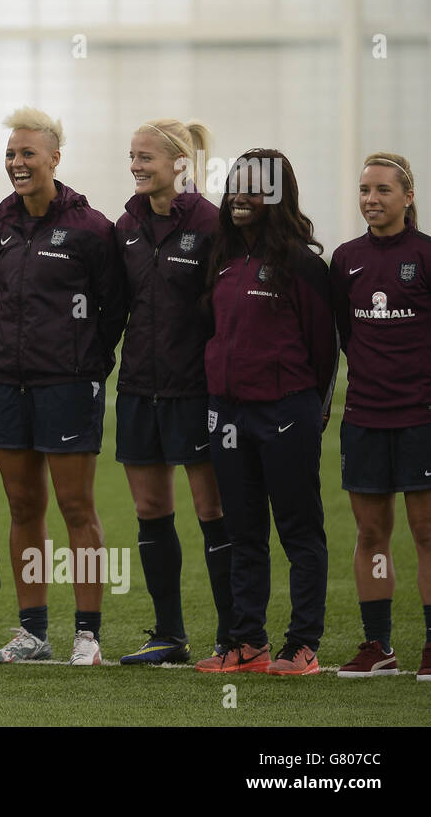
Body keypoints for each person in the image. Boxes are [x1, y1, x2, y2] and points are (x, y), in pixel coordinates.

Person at [0, 107, 125, 667]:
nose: (18, 163)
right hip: (6, 385)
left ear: (54, 158)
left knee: (76, 507)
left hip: (67, 385)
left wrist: (87, 363)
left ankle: (87, 634)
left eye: (28, 154)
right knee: (22, 508)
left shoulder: (92, 230)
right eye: (12, 154)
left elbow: (114, 307)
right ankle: (32, 632)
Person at [195, 149, 336, 675]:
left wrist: (309, 409)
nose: (239, 197)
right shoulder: (223, 257)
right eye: (235, 186)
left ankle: (303, 645)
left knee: (299, 531)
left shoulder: (301, 263)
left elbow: (324, 348)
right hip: (228, 415)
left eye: (254, 188)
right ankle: (247, 643)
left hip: (286, 412)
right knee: (244, 531)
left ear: (279, 194)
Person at [114, 118, 234, 665]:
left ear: (179, 164)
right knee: (150, 508)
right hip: (139, 387)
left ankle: (234, 635)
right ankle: (168, 635)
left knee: (212, 508)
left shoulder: (212, 225)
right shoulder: (128, 224)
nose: (136, 165)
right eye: (133, 156)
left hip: (196, 391)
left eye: (146, 158)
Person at [329, 153, 431, 681]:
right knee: (371, 535)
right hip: (365, 418)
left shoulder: (426, 256)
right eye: (364, 190)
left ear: (408, 196)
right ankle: (378, 646)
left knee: (426, 532)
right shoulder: (346, 259)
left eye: (383, 190)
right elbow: (344, 337)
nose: (370, 199)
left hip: (421, 418)